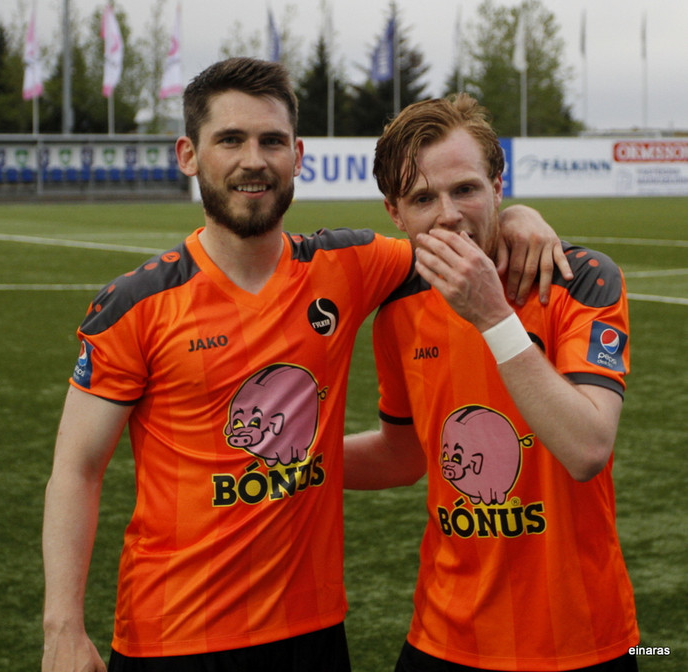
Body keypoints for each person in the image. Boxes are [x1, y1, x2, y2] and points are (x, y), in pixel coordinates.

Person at [41, 58, 568, 672]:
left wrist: (519, 217)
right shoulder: (134, 305)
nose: (253, 160)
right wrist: (62, 627)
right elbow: (76, 469)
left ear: (297, 156)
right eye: (230, 140)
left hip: (313, 634)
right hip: (173, 637)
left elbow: (454, 236)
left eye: (271, 141)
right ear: (189, 155)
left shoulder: (350, 265)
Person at [344, 94, 640, 672]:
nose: (449, 215)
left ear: (499, 186)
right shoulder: (398, 310)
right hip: (443, 637)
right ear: (395, 214)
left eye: (466, 189)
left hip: (582, 641)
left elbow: (586, 449)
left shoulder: (581, 280)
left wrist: (493, 316)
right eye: (423, 199)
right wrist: (295, 461)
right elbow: (403, 457)